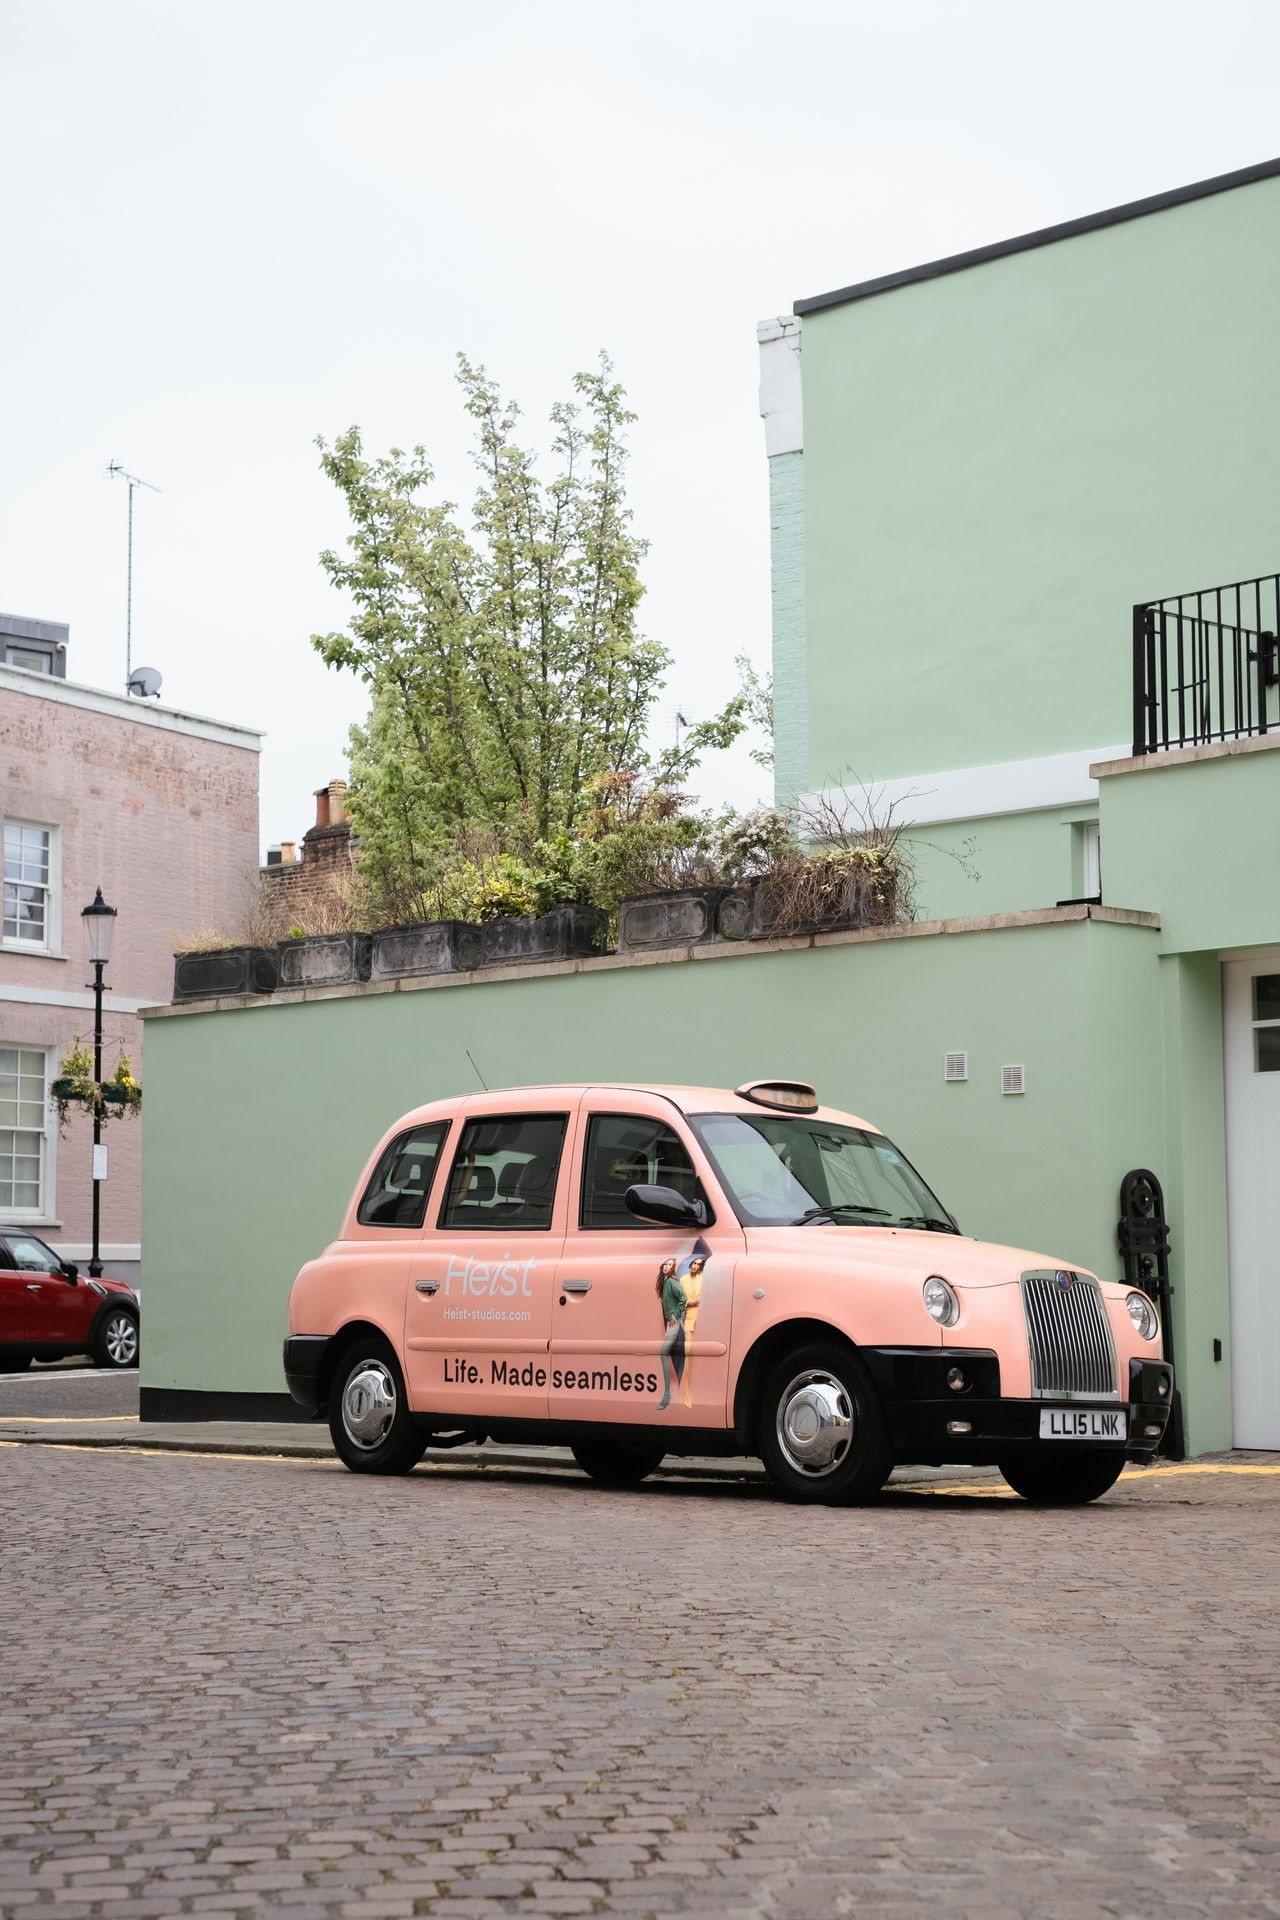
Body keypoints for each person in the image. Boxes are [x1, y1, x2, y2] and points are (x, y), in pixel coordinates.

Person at [655, 1257, 687, 1411]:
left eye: (669, 1265)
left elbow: (683, 1298)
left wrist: (675, 1314)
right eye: (665, 1264)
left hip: (673, 1323)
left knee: (663, 1353)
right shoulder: (665, 1282)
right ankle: (668, 1393)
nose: (666, 1267)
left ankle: (667, 1394)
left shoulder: (672, 1282)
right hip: (670, 1323)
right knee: (669, 1354)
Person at [678, 1254, 708, 1410]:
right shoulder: (683, 1279)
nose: (696, 1266)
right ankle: (685, 1392)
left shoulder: (705, 1278)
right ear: (691, 1265)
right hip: (689, 1318)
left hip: (705, 1319)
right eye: (694, 1264)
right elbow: (680, 1300)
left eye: (698, 1264)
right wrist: (690, 1302)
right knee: (688, 1355)